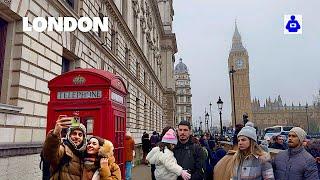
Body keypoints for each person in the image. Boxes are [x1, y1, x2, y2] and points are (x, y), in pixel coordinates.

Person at [42, 115, 87, 180]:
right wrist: (55, 134)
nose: (77, 137)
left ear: (83, 138)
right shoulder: (63, 149)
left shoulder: (85, 152)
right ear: (69, 135)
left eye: (80, 135)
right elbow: (50, 154)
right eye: (74, 133)